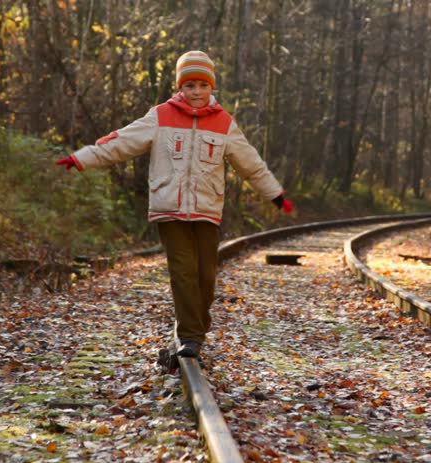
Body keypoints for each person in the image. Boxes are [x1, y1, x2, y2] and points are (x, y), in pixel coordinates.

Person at [56, 50, 293, 358]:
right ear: (181, 87)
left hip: (207, 210)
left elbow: (250, 165)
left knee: (205, 275)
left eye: (202, 86)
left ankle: (197, 325)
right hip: (169, 208)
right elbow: (121, 142)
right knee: (182, 271)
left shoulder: (224, 124)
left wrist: (275, 194)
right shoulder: (161, 116)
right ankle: (190, 336)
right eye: (190, 85)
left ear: (211, 88)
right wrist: (81, 158)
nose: (196, 92)